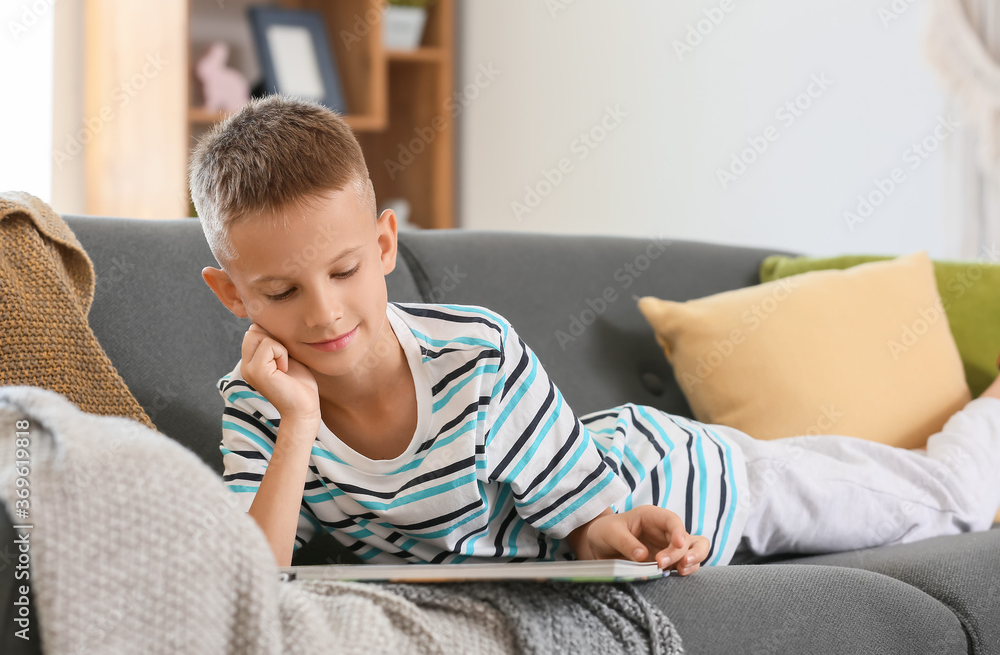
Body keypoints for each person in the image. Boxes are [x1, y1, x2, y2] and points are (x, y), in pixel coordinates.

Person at [192, 94, 1000, 573]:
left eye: (343, 272)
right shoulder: (261, 406)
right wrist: (297, 422)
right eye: (280, 291)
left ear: (383, 246)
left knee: (949, 501)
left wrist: (609, 528)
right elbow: (251, 576)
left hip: (684, 479)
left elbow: (590, 520)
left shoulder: (472, 353)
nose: (325, 313)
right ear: (232, 294)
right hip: (600, 509)